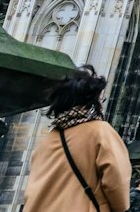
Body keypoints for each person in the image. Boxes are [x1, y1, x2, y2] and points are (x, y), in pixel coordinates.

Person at [23, 65, 131, 212]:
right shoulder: (100, 132)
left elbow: (31, 191)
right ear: (91, 101)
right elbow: (117, 183)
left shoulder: (46, 141)